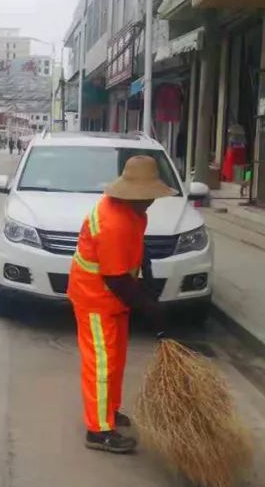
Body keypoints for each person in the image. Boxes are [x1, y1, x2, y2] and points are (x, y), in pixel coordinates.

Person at [67, 155, 175, 454]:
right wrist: (148, 307)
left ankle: (109, 411)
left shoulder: (134, 212)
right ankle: (98, 431)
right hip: (95, 297)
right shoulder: (113, 222)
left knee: (115, 359)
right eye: (148, 195)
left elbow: (133, 253)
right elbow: (116, 279)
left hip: (113, 296)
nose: (151, 201)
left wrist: (146, 275)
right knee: (101, 363)